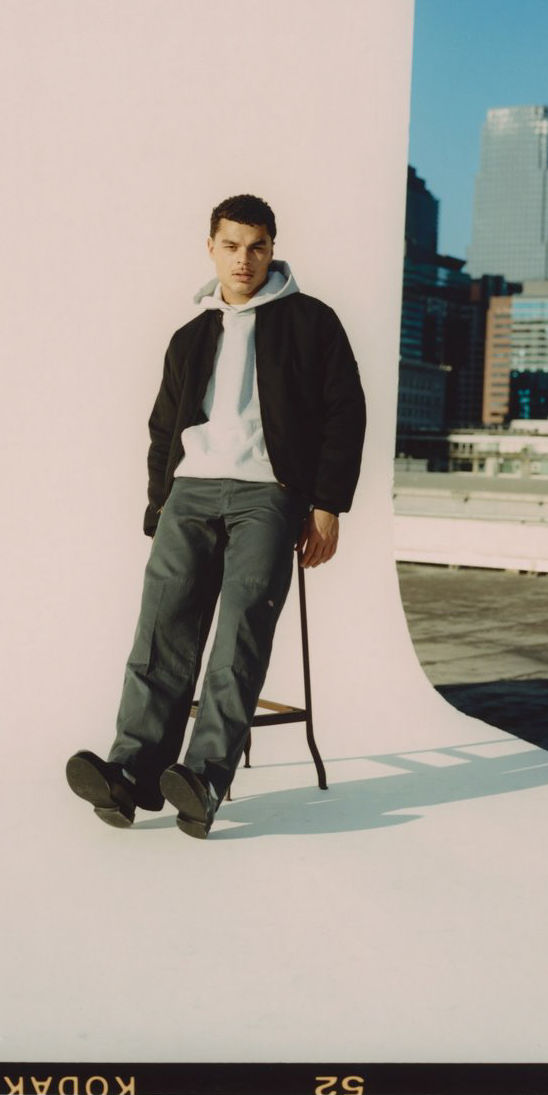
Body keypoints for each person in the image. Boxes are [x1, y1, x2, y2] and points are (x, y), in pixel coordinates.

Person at [66, 194, 366, 838]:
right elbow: (163, 426)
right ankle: (130, 772)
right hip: (190, 492)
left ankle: (203, 777)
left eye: (257, 247)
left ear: (273, 249)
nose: (243, 260)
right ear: (211, 248)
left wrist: (327, 504)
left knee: (240, 631)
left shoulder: (312, 321)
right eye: (230, 246)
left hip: (269, 494)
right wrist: (159, 504)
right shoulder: (191, 335)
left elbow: (346, 412)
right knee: (160, 632)